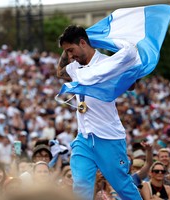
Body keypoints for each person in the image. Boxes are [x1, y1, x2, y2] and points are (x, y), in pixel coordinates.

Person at [57, 25, 141, 200]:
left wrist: (123, 75)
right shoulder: (75, 68)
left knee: (122, 187)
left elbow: (131, 84)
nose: (70, 56)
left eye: (71, 50)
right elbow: (60, 72)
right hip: (84, 138)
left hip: (108, 138)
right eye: (67, 52)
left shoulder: (108, 63)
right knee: (80, 185)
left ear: (83, 43)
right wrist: (67, 45)